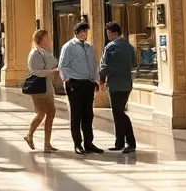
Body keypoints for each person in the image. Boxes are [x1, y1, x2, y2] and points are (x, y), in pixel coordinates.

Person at [58, 21, 103, 155]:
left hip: (88, 84)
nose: (84, 34)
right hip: (75, 84)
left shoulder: (89, 47)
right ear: (76, 33)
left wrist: (95, 80)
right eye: (82, 31)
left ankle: (89, 143)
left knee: (88, 115)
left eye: (86, 31)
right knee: (76, 115)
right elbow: (63, 65)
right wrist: (68, 80)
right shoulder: (68, 47)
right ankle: (78, 143)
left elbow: (94, 65)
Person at [100, 21, 137, 154]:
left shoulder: (111, 47)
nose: (108, 35)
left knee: (119, 113)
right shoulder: (129, 47)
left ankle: (130, 142)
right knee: (118, 112)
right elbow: (134, 63)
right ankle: (119, 142)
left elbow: (105, 66)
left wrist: (100, 77)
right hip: (127, 84)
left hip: (115, 84)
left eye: (108, 33)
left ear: (114, 33)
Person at [24, 30, 59, 153]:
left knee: (49, 113)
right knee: (43, 113)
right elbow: (35, 71)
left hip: (47, 86)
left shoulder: (44, 52)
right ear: (39, 39)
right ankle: (31, 135)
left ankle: (46, 143)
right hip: (39, 88)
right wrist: (52, 71)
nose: (49, 39)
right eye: (46, 37)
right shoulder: (35, 53)